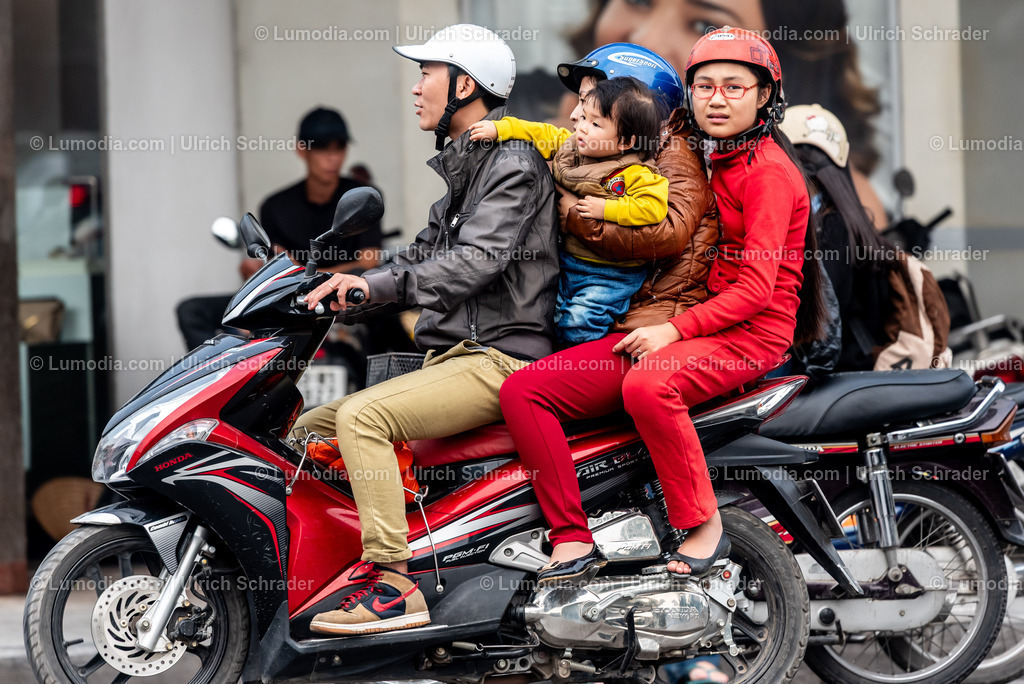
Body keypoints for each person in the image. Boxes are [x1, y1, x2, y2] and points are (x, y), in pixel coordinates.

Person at [500, 27, 824, 588]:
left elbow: (756, 291)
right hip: (702, 324)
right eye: (704, 87)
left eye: (733, 87)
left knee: (649, 386)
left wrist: (672, 331)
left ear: (765, 96)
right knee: (523, 391)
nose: (717, 99)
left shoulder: (768, 172)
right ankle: (573, 537)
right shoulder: (713, 156)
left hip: (748, 334)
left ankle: (703, 524)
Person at [292, 24, 559, 636]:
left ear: (465, 85)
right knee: (306, 432)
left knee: (361, 417)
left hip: (498, 358)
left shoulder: (513, 163)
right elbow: (417, 258)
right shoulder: (465, 171)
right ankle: (336, 570)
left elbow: (475, 261)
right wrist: (336, 290)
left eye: (426, 74)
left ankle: (393, 584)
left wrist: (376, 287)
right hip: (457, 357)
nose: (416, 89)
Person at [569, 0, 888, 228]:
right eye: (639, 1)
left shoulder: (813, 187)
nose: (645, 39)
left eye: (704, 26)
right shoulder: (569, 142)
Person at [469, 75, 668, 344]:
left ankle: (582, 362)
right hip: (568, 260)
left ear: (625, 142)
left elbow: (653, 208)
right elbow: (540, 132)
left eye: (595, 124)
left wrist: (607, 208)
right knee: (553, 317)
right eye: (584, 117)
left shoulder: (637, 174)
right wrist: (501, 129)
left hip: (611, 275)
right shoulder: (572, 146)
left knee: (579, 321)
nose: (582, 127)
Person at [175, 106, 382, 350]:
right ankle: (228, 372)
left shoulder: (359, 198)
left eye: (339, 147)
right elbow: (270, 261)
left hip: (344, 297)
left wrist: (307, 275)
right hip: (286, 302)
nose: (332, 157)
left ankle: (376, 373)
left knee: (389, 312)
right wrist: (257, 270)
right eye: (322, 148)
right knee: (191, 310)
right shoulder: (276, 206)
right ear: (302, 150)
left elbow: (370, 261)